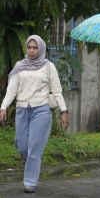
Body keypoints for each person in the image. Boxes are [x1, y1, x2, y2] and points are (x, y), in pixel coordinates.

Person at [0, 35, 69, 193]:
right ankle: (33, 162)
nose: (31, 50)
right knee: (22, 144)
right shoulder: (20, 66)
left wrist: (64, 111)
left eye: (35, 47)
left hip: (41, 110)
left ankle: (30, 182)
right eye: (29, 47)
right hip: (22, 110)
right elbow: (11, 90)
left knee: (34, 147)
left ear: (41, 49)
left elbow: (57, 91)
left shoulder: (48, 66)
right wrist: (3, 107)